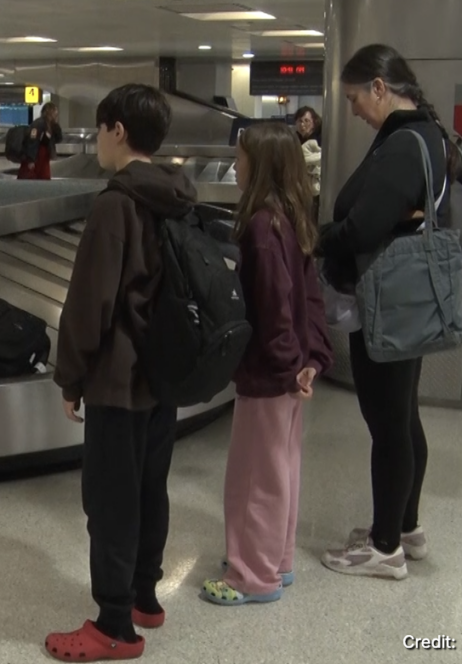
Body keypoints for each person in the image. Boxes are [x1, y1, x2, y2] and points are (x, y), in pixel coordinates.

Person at [46, 84, 196, 661]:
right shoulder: (176, 196)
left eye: (100, 130)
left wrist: (70, 376)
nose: (98, 141)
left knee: (110, 500)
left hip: (118, 379)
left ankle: (113, 626)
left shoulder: (116, 203)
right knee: (148, 488)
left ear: (116, 132)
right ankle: (144, 599)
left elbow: (91, 303)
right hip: (163, 374)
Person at [317, 43, 453, 579]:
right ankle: (406, 526)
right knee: (404, 416)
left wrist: (318, 239)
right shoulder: (428, 135)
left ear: (380, 87)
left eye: (355, 98)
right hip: (410, 298)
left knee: (388, 425)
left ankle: (383, 547)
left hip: (388, 299)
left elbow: (364, 226)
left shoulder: (403, 142)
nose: (352, 110)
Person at [201, 123, 333, 606]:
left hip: (270, 372)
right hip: (294, 369)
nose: (236, 166)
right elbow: (308, 300)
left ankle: (251, 576)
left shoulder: (260, 226)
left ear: (262, 166)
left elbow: (274, 307)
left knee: (254, 474)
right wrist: (309, 361)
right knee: (282, 468)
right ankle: (277, 558)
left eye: (241, 159)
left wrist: (282, 366)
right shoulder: (292, 218)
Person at [18, 102, 63, 180]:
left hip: (44, 156)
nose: (56, 115)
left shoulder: (51, 125)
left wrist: (56, 126)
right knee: (31, 176)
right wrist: (31, 160)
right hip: (36, 155)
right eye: (54, 112)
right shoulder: (38, 124)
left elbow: (59, 138)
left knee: (44, 176)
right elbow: (32, 141)